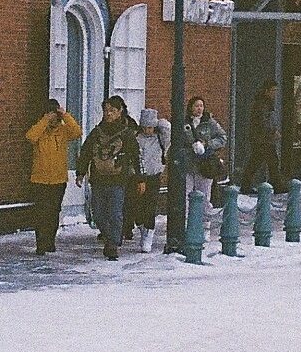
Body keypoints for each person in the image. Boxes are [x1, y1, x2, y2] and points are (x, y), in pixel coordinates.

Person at [77, 95, 140, 259]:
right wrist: (80, 172)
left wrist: (140, 179)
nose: (108, 114)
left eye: (112, 110)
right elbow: (85, 152)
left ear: (120, 111)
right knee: (98, 214)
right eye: (106, 110)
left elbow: (136, 156)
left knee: (115, 213)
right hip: (98, 178)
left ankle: (113, 243)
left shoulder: (126, 134)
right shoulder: (97, 132)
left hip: (118, 179)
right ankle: (109, 235)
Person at [25, 99, 80, 255]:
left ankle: (50, 241)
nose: (53, 120)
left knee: (54, 211)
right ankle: (41, 243)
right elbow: (30, 137)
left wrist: (65, 115)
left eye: (55, 116)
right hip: (40, 179)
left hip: (58, 179)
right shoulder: (39, 129)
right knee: (41, 212)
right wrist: (45, 120)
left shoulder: (63, 131)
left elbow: (77, 132)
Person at [130, 107, 171, 251]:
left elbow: (167, 128)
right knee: (138, 207)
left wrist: (158, 122)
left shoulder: (160, 138)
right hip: (139, 177)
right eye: (145, 127)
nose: (148, 130)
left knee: (150, 206)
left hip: (154, 176)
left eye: (151, 127)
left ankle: (149, 235)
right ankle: (142, 228)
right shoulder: (136, 138)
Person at [181, 95, 227, 209]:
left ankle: (205, 218)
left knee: (204, 195)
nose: (199, 108)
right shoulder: (184, 122)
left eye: (201, 106)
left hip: (205, 164)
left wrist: (207, 144)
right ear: (191, 107)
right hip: (188, 163)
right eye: (196, 106)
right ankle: (186, 218)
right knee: (185, 194)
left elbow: (222, 138)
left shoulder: (209, 122)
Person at [240, 80, 282, 192]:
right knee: (269, 162)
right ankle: (277, 185)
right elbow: (263, 121)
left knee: (257, 162)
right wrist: (272, 132)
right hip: (263, 139)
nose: (275, 93)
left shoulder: (266, 103)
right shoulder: (262, 104)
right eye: (273, 90)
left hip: (263, 138)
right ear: (266, 91)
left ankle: (246, 185)